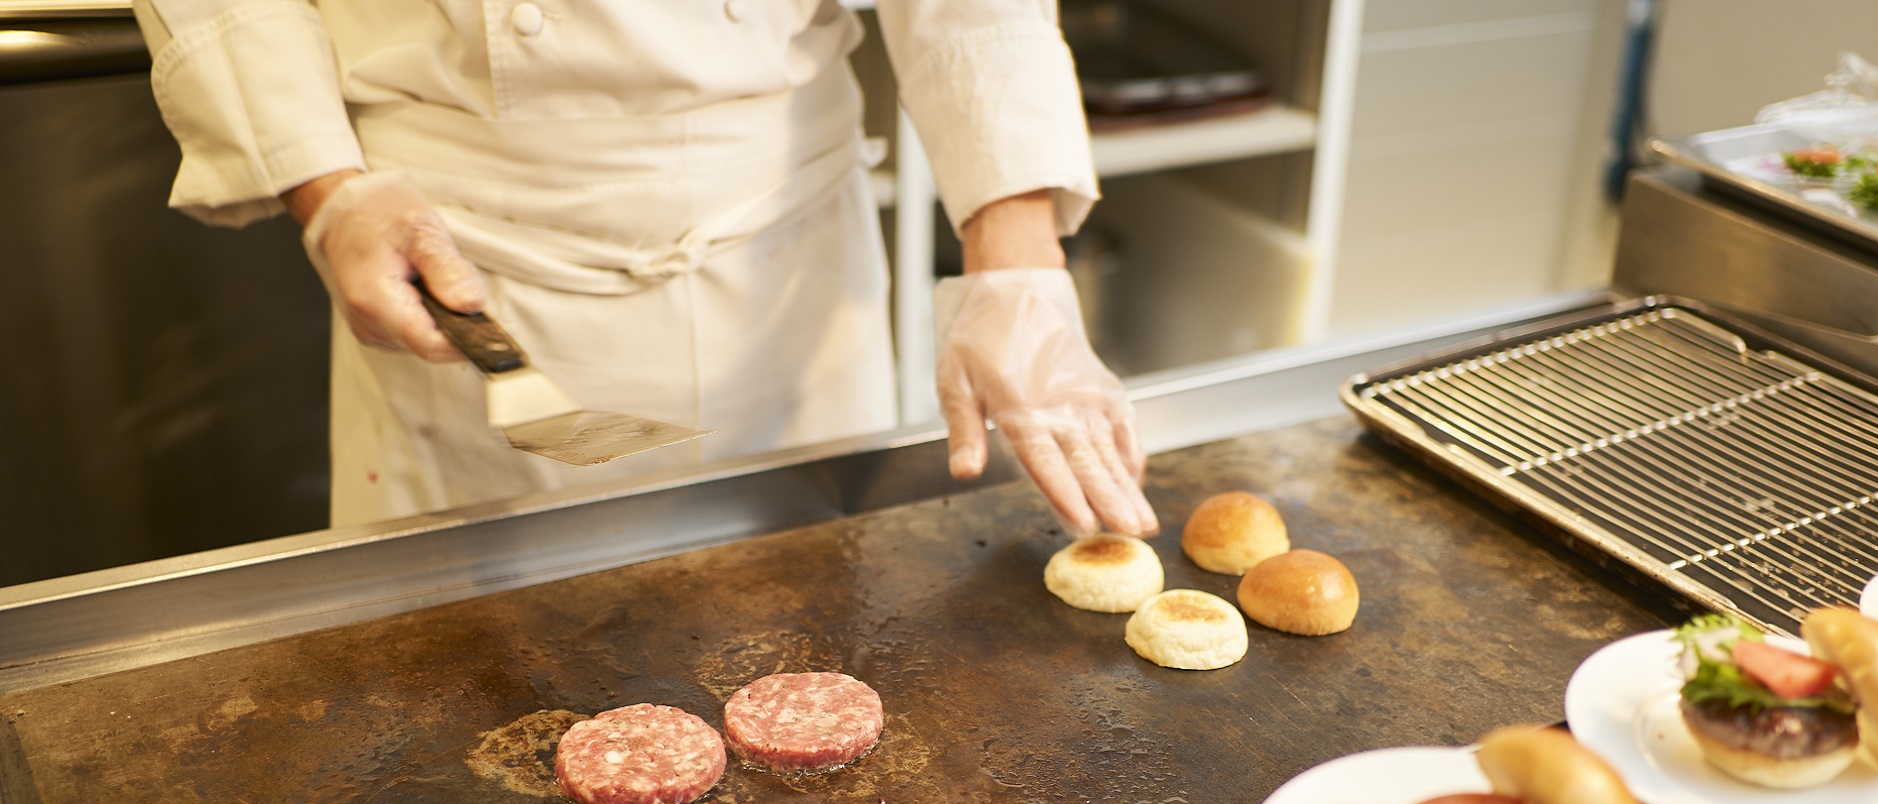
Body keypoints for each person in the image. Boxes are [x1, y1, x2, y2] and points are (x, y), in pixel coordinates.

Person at [132, 0, 1158, 539]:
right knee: (463, 736)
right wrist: (329, 188)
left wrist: (1017, 262)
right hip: (466, 264)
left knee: (823, 675)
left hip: (789, 270)